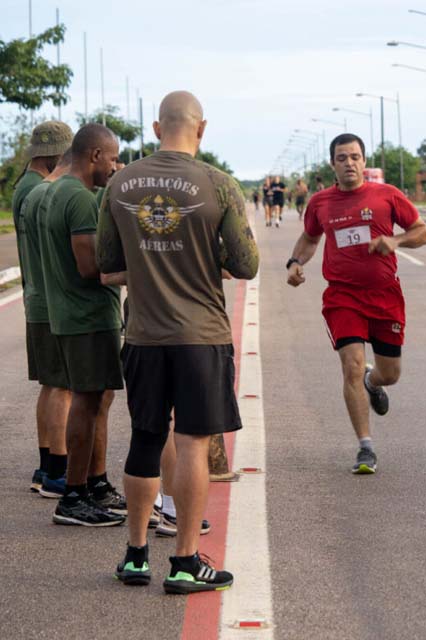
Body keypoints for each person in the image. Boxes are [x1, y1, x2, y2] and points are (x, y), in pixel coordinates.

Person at [98, 90, 259, 593]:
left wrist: (150, 267)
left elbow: (108, 268)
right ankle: (187, 563)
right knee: (192, 443)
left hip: (143, 334)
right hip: (200, 335)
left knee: (146, 439)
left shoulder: (120, 183)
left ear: (155, 128)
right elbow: (247, 265)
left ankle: (136, 556)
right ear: (202, 128)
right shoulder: (218, 184)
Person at [286, 133, 426, 474]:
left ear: (364, 162)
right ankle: (365, 447)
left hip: (385, 296)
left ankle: (373, 382)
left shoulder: (388, 195)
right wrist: (294, 262)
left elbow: (421, 231)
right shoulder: (321, 202)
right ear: (332, 164)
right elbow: (310, 237)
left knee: (390, 374)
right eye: (341, 158)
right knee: (351, 365)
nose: (349, 163)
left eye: (354, 157)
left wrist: (396, 240)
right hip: (342, 296)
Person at [37, 123, 126, 526]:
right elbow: (90, 267)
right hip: (87, 317)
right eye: (111, 158)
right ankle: (73, 497)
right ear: (94, 156)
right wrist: (138, 268)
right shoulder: (79, 199)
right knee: (86, 404)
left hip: (70, 314)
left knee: (94, 401)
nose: (114, 166)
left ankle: (93, 485)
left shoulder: (56, 192)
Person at [12, 121, 73, 494]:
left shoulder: (23, 187)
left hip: (35, 295)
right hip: (51, 298)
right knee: (62, 388)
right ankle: (57, 473)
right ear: (55, 156)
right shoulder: (44, 191)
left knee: (50, 386)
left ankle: (45, 466)